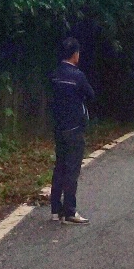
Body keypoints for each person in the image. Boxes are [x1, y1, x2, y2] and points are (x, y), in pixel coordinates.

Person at [49, 37, 94, 225]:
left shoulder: (55, 74)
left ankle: (55, 209)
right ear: (75, 54)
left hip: (58, 127)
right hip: (74, 128)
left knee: (59, 166)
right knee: (72, 169)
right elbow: (90, 95)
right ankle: (70, 210)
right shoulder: (78, 76)